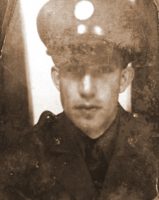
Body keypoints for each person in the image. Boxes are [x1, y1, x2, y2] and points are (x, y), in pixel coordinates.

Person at [0, 0, 159, 199]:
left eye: (102, 71)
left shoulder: (152, 147)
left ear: (124, 79)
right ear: (57, 79)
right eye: (74, 71)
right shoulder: (25, 156)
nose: (87, 90)